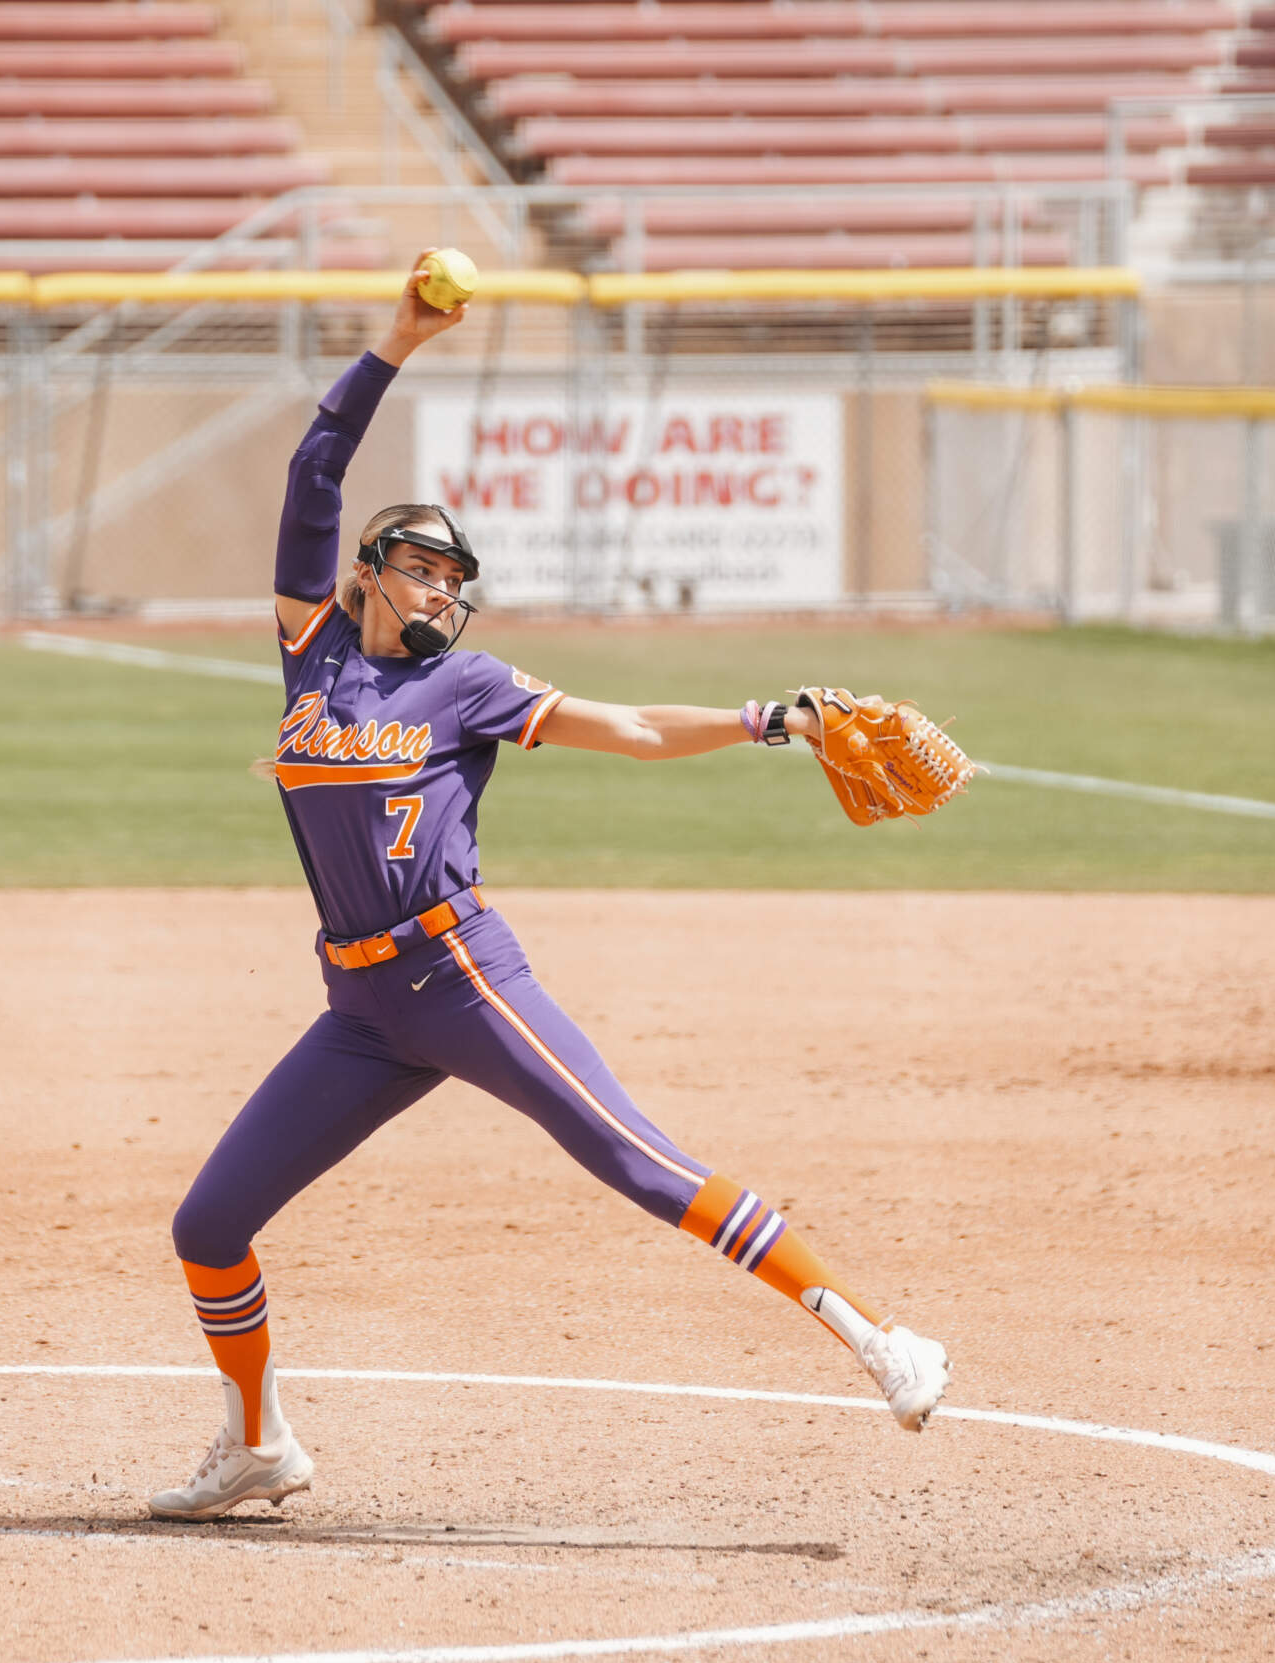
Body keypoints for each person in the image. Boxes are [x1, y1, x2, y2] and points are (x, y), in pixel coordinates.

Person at [146, 256, 952, 1520]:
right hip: (358, 1012)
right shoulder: (311, 651)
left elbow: (627, 727)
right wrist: (399, 340)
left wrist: (769, 716)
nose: (443, 592)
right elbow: (313, 470)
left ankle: (879, 1335)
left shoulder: (466, 686)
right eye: (424, 570)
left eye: (455, 581)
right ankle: (258, 1441)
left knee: (635, 1158)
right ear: (370, 570)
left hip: (460, 974)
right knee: (208, 1225)